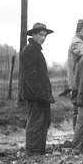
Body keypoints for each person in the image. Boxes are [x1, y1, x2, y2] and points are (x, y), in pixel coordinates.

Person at [20, 22, 55, 156]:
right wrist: (40, 93)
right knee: (36, 123)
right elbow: (29, 76)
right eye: (40, 35)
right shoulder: (29, 51)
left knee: (44, 122)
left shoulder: (36, 50)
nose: (43, 38)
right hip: (36, 96)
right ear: (33, 35)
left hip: (42, 95)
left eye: (45, 35)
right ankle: (33, 151)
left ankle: (39, 150)